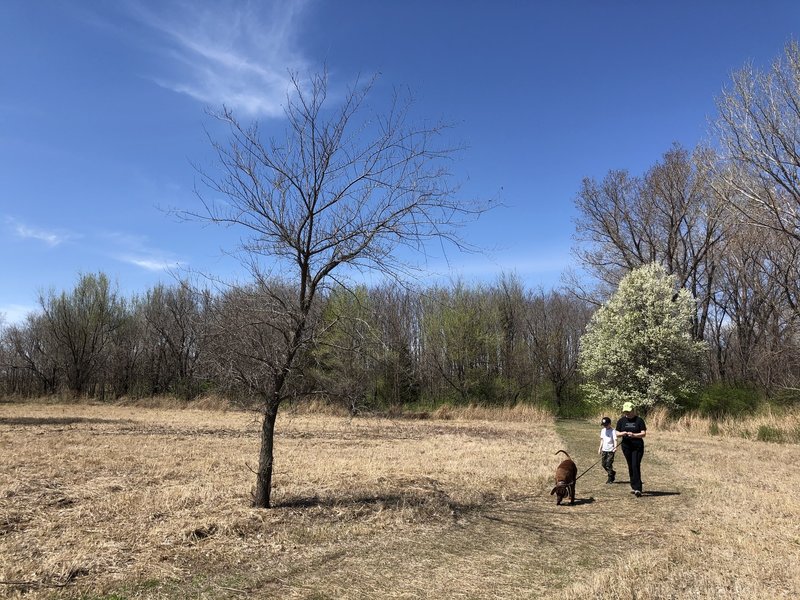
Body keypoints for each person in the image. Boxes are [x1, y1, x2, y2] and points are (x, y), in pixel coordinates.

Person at [616, 401, 647, 497]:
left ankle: (638, 488)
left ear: (633, 410)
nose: (627, 413)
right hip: (626, 446)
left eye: (628, 411)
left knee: (635, 465)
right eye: (625, 412)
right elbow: (616, 433)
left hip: (637, 446)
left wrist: (634, 435)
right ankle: (633, 486)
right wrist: (623, 433)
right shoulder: (621, 421)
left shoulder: (639, 420)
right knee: (630, 465)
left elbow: (643, 433)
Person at [598, 416, 618, 483]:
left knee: (608, 464)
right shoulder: (603, 430)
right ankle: (612, 472)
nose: (605, 426)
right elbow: (602, 440)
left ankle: (610, 478)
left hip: (610, 450)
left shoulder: (613, 431)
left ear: (609, 424)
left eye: (606, 425)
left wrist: (615, 447)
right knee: (603, 464)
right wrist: (600, 448)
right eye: (604, 425)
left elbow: (615, 440)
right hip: (604, 449)